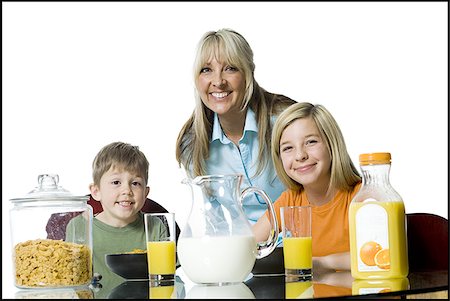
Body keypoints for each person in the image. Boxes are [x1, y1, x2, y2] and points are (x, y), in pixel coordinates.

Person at [175, 28, 296, 224]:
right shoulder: (193, 145)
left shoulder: (285, 120)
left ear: (248, 73)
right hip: (240, 248)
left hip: (299, 243)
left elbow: (319, 194)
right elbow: (213, 222)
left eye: (230, 68)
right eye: (206, 70)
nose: (218, 81)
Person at [252, 102, 362, 271]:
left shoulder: (361, 197)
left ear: (332, 145)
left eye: (310, 142)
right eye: (288, 148)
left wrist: (321, 263)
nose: (300, 155)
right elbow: (247, 243)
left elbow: (378, 256)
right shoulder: (290, 200)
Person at [65, 142, 168, 297]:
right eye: (116, 182)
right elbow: (69, 280)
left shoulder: (155, 226)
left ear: (146, 193)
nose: (126, 191)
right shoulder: (79, 227)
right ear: (96, 191)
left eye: (135, 183)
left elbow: (168, 281)